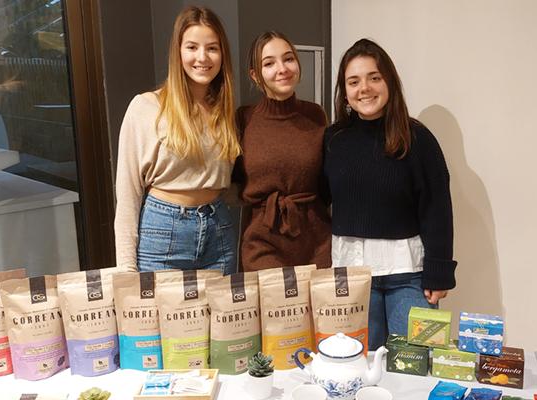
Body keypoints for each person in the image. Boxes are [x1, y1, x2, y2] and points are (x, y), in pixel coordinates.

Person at [324, 39, 457, 350]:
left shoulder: (418, 138)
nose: (364, 89)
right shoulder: (333, 140)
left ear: (389, 82)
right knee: (357, 370)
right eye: (353, 81)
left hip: (408, 277)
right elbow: (318, 200)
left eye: (374, 77)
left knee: (415, 367)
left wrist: (439, 272)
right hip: (351, 278)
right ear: (345, 92)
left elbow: (437, 207)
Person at [114, 6, 240, 273]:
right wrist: (126, 269)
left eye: (212, 48)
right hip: (162, 232)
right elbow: (128, 195)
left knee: (220, 315)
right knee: (159, 316)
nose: (202, 57)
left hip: (219, 232)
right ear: (178, 51)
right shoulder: (146, 107)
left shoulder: (224, 112)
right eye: (192, 47)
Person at [234, 31, 331, 271]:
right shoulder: (243, 119)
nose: (282, 68)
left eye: (288, 59)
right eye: (269, 63)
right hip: (262, 243)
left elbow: (327, 182)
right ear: (255, 75)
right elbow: (232, 180)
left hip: (317, 243)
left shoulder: (316, 114)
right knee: (273, 309)